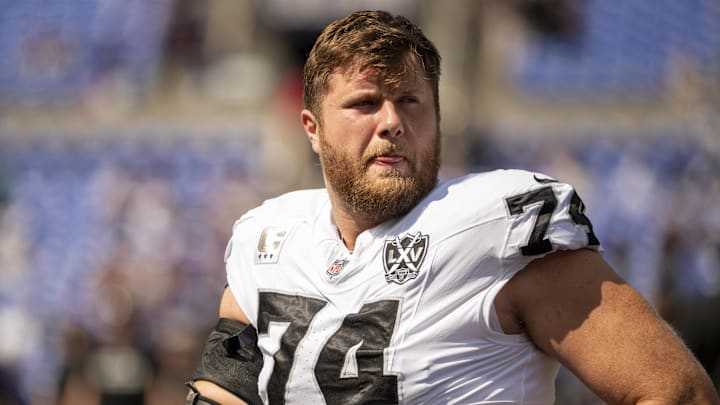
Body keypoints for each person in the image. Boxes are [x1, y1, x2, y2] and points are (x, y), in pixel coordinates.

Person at [186, 10, 720, 405]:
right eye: (365, 103)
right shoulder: (269, 235)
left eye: (410, 101)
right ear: (313, 129)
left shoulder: (497, 226)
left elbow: (675, 392)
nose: (391, 121)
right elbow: (220, 394)